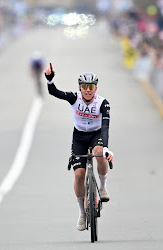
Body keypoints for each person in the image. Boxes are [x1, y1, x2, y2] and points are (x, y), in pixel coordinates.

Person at [44, 63, 114, 231]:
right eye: (84, 87)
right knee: (79, 175)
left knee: (99, 153)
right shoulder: (74, 98)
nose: (87, 90)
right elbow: (54, 92)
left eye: (91, 87)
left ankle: (103, 189)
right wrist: (50, 80)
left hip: (97, 135)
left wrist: (106, 148)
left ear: (95, 88)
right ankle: (82, 213)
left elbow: (105, 128)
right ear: (80, 88)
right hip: (80, 137)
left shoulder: (103, 103)